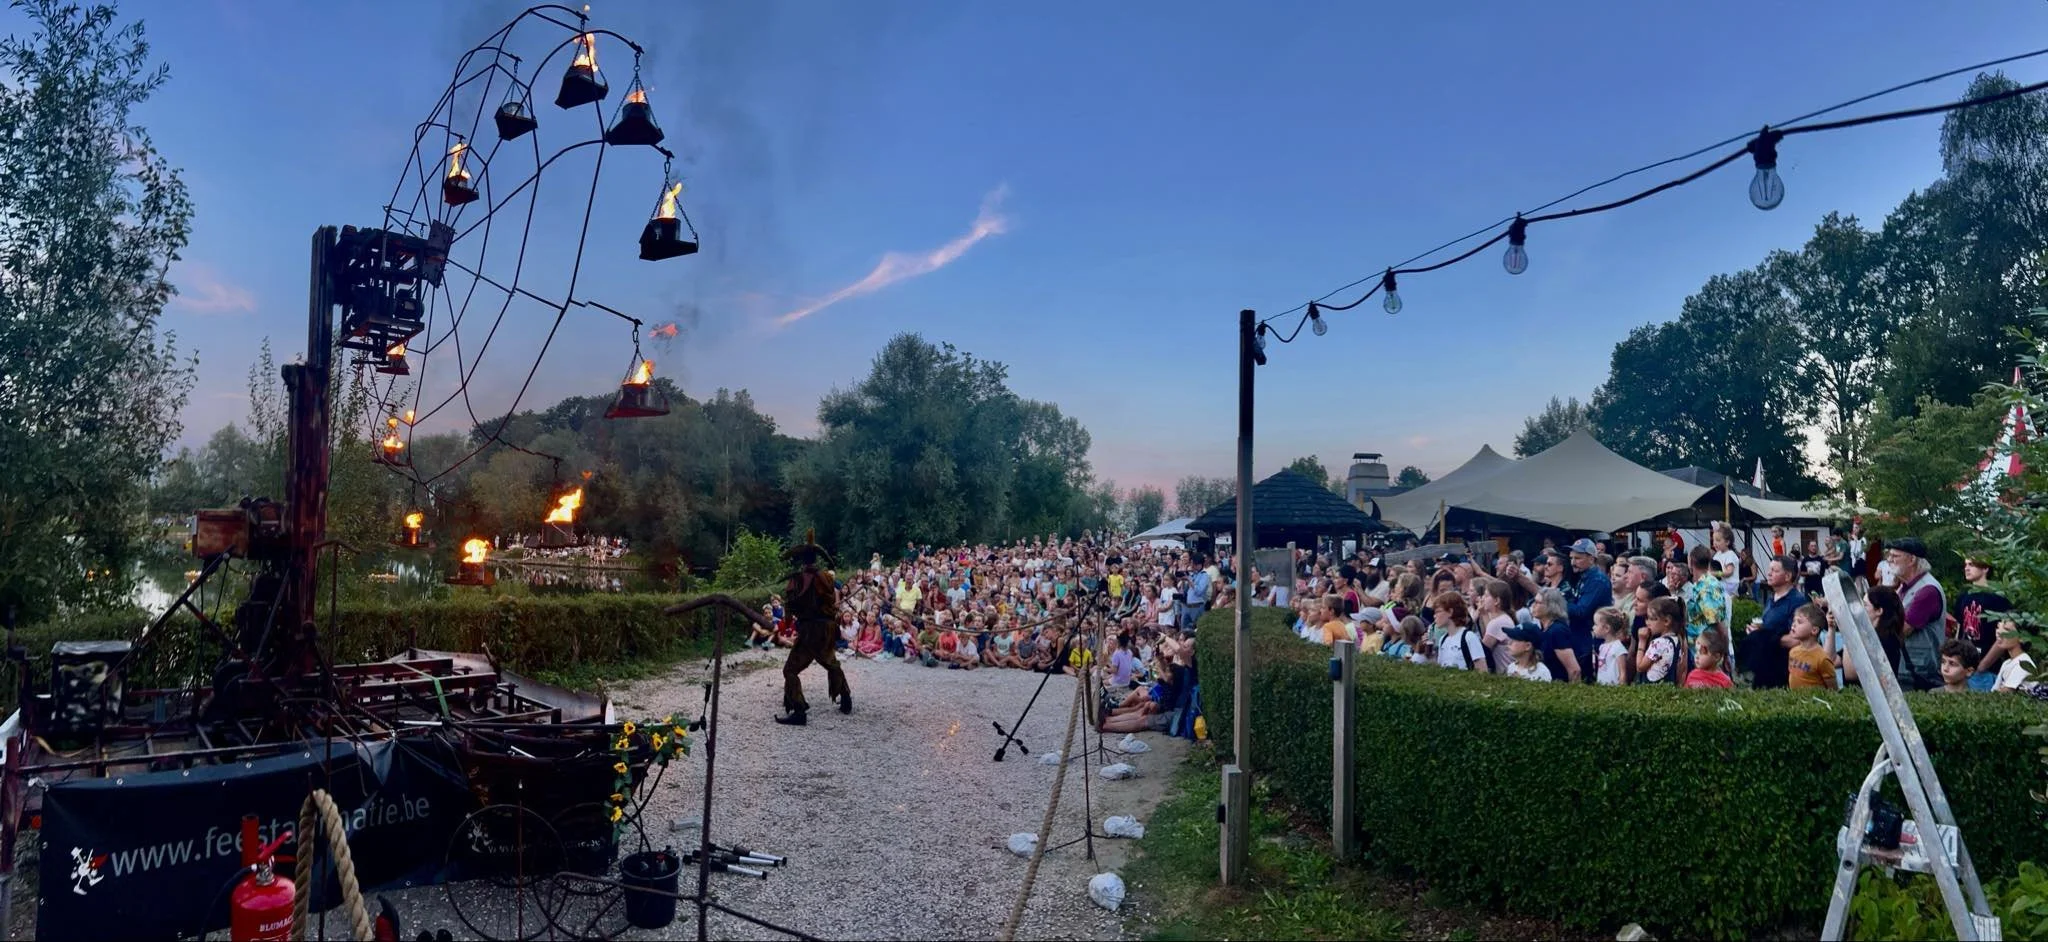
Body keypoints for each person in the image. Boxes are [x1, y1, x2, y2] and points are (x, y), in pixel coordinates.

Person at [776, 533, 853, 726]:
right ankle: (845, 698)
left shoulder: (797, 580)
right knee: (831, 662)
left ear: (802, 560)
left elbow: (790, 610)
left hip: (810, 629)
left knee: (790, 670)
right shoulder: (827, 577)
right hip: (827, 628)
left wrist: (789, 614)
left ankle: (799, 710)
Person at [1889, 537, 1947, 691]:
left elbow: (1901, 630)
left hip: (1919, 672)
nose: (1889, 560)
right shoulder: (1906, 587)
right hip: (1909, 667)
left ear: (1912, 560)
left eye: (1895, 556)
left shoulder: (1927, 591)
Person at [1786, 604, 1838, 691]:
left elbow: (1833, 690)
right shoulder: (1793, 652)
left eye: (1799, 622)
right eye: (1794, 621)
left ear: (1814, 630)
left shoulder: (1822, 659)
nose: (1793, 625)